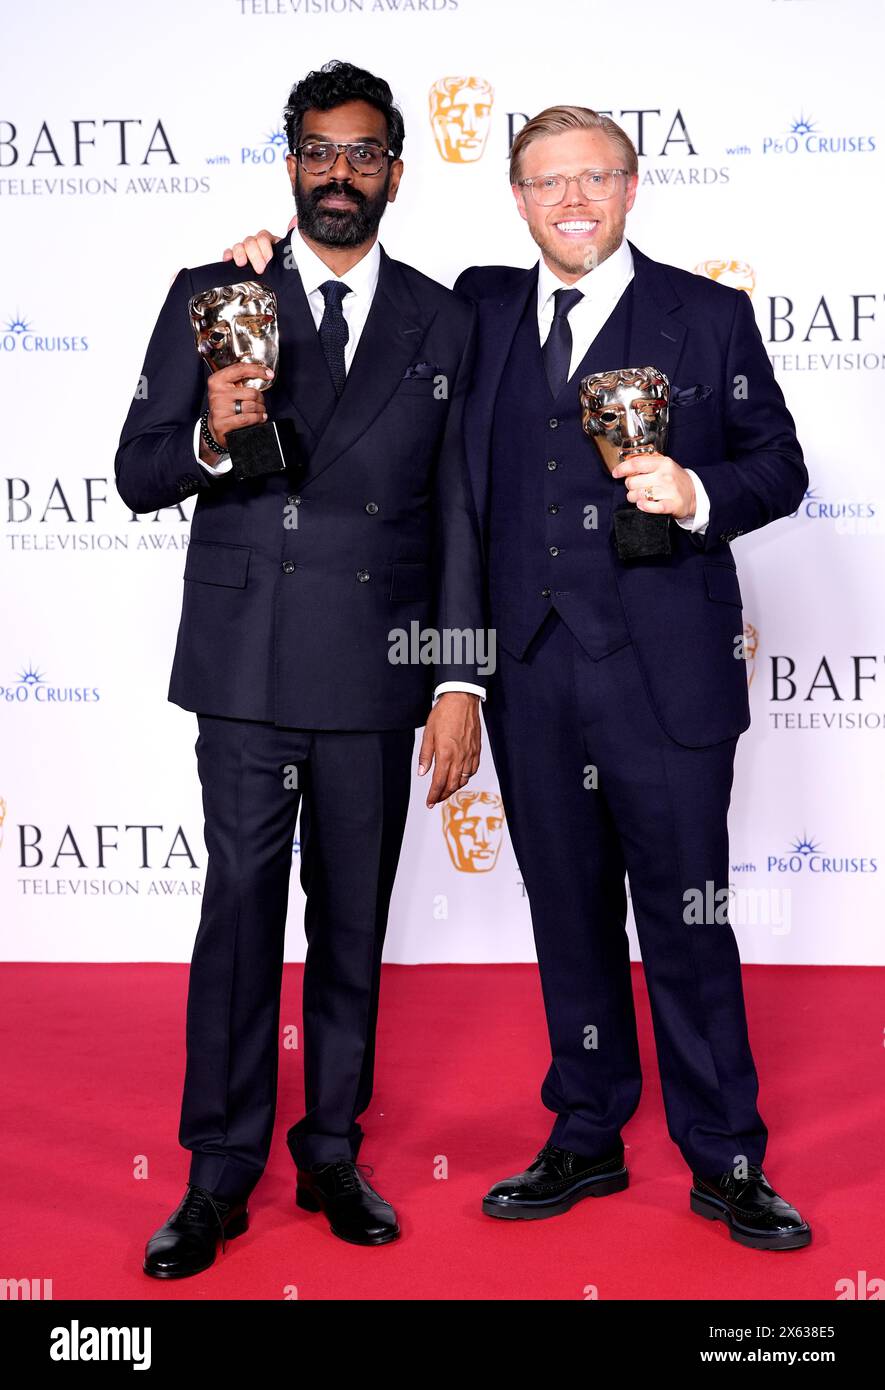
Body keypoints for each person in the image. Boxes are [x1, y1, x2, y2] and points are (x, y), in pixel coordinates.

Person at [230, 103, 812, 1252]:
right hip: (533, 677)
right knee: (570, 914)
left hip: (667, 677)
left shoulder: (709, 315)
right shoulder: (483, 308)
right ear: (517, 199)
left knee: (688, 922)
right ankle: (589, 1130)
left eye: (594, 178)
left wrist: (695, 494)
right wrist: (258, 260)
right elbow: (347, 302)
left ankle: (727, 1158)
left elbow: (778, 464)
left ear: (632, 187)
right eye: (547, 184)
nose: (572, 201)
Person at [116, 60, 486, 1278]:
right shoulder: (215, 292)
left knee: (353, 919)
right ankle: (217, 1172)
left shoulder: (449, 317)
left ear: (396, 170)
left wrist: (458, 680)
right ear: (290, 159)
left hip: (379, 670)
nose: (339, 174)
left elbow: (465, 515)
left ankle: (331, 1146)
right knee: (237, 916)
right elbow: (134, 471)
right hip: (245, 662)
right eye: (319, 152)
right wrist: (213, 443)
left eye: (363, 153)